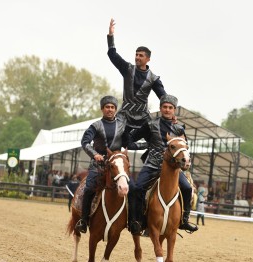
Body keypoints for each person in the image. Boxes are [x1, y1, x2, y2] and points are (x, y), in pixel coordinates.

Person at [128, 94, 198, 235]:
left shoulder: (179, 128)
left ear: (174, 110)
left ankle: (184, 221)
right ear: (160, 108)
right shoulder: (150, 124)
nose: (167, 110)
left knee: (186, 188)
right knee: (137, 188)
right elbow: (131, 139)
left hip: (172, 169)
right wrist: (146, 145)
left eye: (170, 108)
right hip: (152, 165)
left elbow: (185, 146)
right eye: (164, 107)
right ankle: (137, 221)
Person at [74, 95, 133, 233]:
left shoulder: (121, 125)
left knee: (133, 188)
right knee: (89, 189)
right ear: (102, 109)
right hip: (99, 166)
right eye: (107, 107)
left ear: (115, 109)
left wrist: (147, 143)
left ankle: (132, 221)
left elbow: (128, 143)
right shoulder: (95, 126)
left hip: (117, 166)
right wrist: (95, 154)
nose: (110, 110)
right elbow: (85, 142)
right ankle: (83, 220)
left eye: (112, 107)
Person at [107, 18, 167, 132]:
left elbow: (164, 98)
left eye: (141, 55)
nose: (137, 57)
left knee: (157, 136)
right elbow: (112, 54)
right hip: (124, 115)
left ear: (148, 59)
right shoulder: (127, 69)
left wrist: (171, 114)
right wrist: (110, 35)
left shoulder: (154, 79)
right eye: (136, 55)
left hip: (143, 116)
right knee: (113, 136)